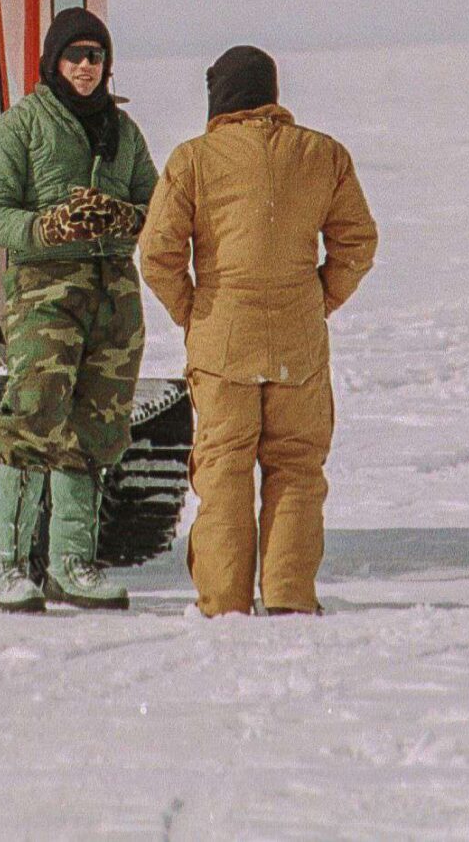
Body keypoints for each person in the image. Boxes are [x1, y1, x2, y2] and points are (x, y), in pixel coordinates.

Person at [137, 46, 377, 617]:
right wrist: (320, 298)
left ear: (220, 97)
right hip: (298, 339)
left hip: (222, 341)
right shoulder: (323, 155)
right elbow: (357, 242)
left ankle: (223, 602)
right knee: (296, 467)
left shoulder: (193, 160)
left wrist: (194, 311)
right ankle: (291, 596)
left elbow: (157, 254)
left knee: (223, 470)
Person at [0, 7, 158, 612]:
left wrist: (125, 218)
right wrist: (49, 225)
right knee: (31, 421)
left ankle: (72, 564)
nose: (85, 66)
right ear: (54, 61)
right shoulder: (18, 128)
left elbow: (157, 207)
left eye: (95, 56)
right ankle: (7, 564)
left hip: (114, 296)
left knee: (95, 427)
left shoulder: (123, 133)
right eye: (75, 55)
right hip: (45, 292)